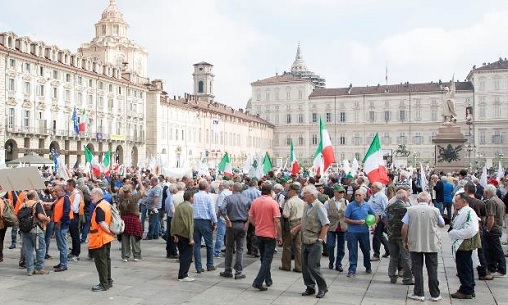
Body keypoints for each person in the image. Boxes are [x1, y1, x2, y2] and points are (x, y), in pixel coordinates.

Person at [402, 191, 445, 302]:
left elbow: (404, 227)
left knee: (417, 269)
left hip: (415, 242)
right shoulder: (435, 210)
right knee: (432, 269)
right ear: (429, 201)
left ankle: (419, 292)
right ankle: (435, 294)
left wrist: (404, 241)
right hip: (431, 243)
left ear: (417, 200)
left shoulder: (410, 210)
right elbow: (442, 223)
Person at [293, 185, 330, 299]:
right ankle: (310, 287)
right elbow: (305, 221)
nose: (303, 196)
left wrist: (320, 239)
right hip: (305, 240)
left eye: (305, 194)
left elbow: (326, 224)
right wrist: (297, 228)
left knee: (313, 266)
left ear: (312, 195)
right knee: (305, 266)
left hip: (315, 241)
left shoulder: (319, 206)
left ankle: (322, 287)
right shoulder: (306, 205)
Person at [249, 183, 282, 291]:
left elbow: (250, 217)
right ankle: (258, 281)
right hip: (270, 234)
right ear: (271, 191)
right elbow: (277, 221)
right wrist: (279, 235)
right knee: (267, 259)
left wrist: (257, 225)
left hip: (259, 233)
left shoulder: (255, 201)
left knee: (264, 258)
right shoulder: (273, 203)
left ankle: (268, 279)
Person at [448, 192, 481, 299]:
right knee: (466, 267)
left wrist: (454, 233)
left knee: (464, 268)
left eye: (457, 201)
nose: (455, 203)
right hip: (462, 243)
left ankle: (466, 290)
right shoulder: (462, 211)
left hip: (464, 244)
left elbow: (471, 230)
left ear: (464, 201)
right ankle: (469, 288)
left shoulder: (469, 212)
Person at [219, 182, 251, 279]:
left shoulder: (228, 198)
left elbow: (222, 209)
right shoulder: (247, 199)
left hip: (231, 224)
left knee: (229, 248)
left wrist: (227, 219)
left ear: (233, 189)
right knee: (240, 249)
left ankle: (228, 270)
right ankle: (238, 271)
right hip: (242, 224)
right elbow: (252, 211)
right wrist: (247, 222)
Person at [344, 188, 376, 277]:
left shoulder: (367, 205)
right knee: (353, 251)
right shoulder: (350, 206)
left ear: (364, 196)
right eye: (356, 195)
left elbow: (374, 215)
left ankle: (368, 266)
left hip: (364, 231)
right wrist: (355, 222)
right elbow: (346, 219)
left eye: (359, 195)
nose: (357, 196)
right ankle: (352, 269)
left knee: (366, 250)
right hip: (352, 232)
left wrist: (373, 223)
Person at [88, 188, 115, 292]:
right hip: (106, 238)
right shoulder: (106, 204)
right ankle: (108, 280)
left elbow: (101, 222)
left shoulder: (99, 207)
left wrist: (109, 231)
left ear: (98, 195)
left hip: (100, 238)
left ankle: (104, 284)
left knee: (101, 262)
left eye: (92, 195)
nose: (91, 197)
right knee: (106, 260)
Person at [384, 189, 413, 284]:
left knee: (393, 257)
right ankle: (407, 278)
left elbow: (384, 218)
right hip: (402, 237)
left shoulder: (389, 206)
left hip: (391, 235)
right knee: (406, 257)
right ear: (404, 197)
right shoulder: (407, 208)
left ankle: (392, 275)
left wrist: (389, 229)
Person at [21, 190, 51, 275]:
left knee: (28, 250)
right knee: (41, 249)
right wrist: (47, 219)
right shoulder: (36, 204)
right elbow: (40, 216)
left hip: (25, 230)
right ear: (34, 196)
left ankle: (29, 269)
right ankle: (39, 268)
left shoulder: (23, 204)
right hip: (35, 230)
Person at [193, 180, 217, 273]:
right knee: (209, 244)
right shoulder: (208, 197)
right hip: (205, 221)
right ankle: (209, 264)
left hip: (195, 221)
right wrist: (215, 222)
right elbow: (212, 211)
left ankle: (198, 267)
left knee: (197, 245)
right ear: (206, 187)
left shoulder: (194, 196)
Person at [171, 190, 196, 282]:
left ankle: (183, 272)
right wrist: (191, 238)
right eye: (193, 197)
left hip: (178, 233)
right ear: (190, 198)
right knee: (187, 255)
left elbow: (173, 220)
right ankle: (183, 275)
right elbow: (189, 224)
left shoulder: (179, 206)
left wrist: (173, 233)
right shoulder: (188, 208)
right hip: (185, 234)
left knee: (182, 254)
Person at [280, 183, 305, 272]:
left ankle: (286, 265)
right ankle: (299, 266)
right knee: (298, 246)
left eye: (289, 190)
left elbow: (286, 215)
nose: (288, 192)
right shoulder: (302, 202)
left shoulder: (289, 202)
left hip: (291, 223)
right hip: (300, 223)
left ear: (293, 191)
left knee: (287, 245)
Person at [483, 184, 506, 278]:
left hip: (493, 229)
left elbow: (491, 217)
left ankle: (501, 269)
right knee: (494, 249)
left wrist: (488, 229)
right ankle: (493, 267)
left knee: (495, 250)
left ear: (487, 192)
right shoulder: (499, 201)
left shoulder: (491, 202)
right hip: (498, 227)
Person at [118, 181, 144, 262]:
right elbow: (142, 190)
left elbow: (121, 191)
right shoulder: (134, 197)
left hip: (124, 218)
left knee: (125, 238)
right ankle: (136, 255)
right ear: (131, 190)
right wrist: (139, 182)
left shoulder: (120, 196)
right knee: (135, 238)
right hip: (133, 218)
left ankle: (125, 256)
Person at [324, 184, 348, 272]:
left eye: (343, 192)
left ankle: (339, 264)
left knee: (341, 247)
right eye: (340, 192)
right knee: (330, 245)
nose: (342, 194)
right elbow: (325, 214)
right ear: (335, 193)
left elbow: (348, 214)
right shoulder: (328, 202)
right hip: (332, 226)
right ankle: (331, 260)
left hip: (342, 226)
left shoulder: (346, 202)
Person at [52, 184, 72, 272]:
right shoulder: (59, 199)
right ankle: (62, 262)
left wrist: (60, 222)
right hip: (59, 224)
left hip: (62, 225)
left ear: (60, 191)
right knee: (61, 245)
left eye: (56, 191)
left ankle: (63, 264)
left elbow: (66, 212)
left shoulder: (65, 198)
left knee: (62, 245)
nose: (54, 193)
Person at [369, 182, 390, 261]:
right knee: (379, 235)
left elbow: (386, 208)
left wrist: (385, 220)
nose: (371, 188)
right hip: (373, 218)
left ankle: (376, 254)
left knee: (376, 236)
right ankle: (388, 250)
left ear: (378, 189)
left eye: (373, 187)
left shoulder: (382, 197)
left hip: (380, 219)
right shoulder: (372, 197)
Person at [214, 180, 232, 258]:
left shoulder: (222, 194)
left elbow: (220, 208)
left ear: (224, 186)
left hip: (222, 218)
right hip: (229, 217)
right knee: (227, 236)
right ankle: (228, 251)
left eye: (220, 185)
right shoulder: (230, 193)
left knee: (220, 236)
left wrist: (217, 217)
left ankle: (217, 252)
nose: (219, 186)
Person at [243, 179, 261, 257]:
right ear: (256, 184)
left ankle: (249, 249)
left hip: (246, 213)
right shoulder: (258, 192)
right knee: (254, 232)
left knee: (248, 232)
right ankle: (255, 249)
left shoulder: (244, 192)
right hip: (256, 214)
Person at [66, 179, 82, 261]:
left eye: (67, 185)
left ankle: (76, 253)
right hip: (72, 216)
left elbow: (75, 208)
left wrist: (67, 205)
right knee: (73, 235)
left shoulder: (76, 195)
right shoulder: (72, 194)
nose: (66, 186)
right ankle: (74, 251)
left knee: (75, 235)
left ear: (71, 186)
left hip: (74, 216)